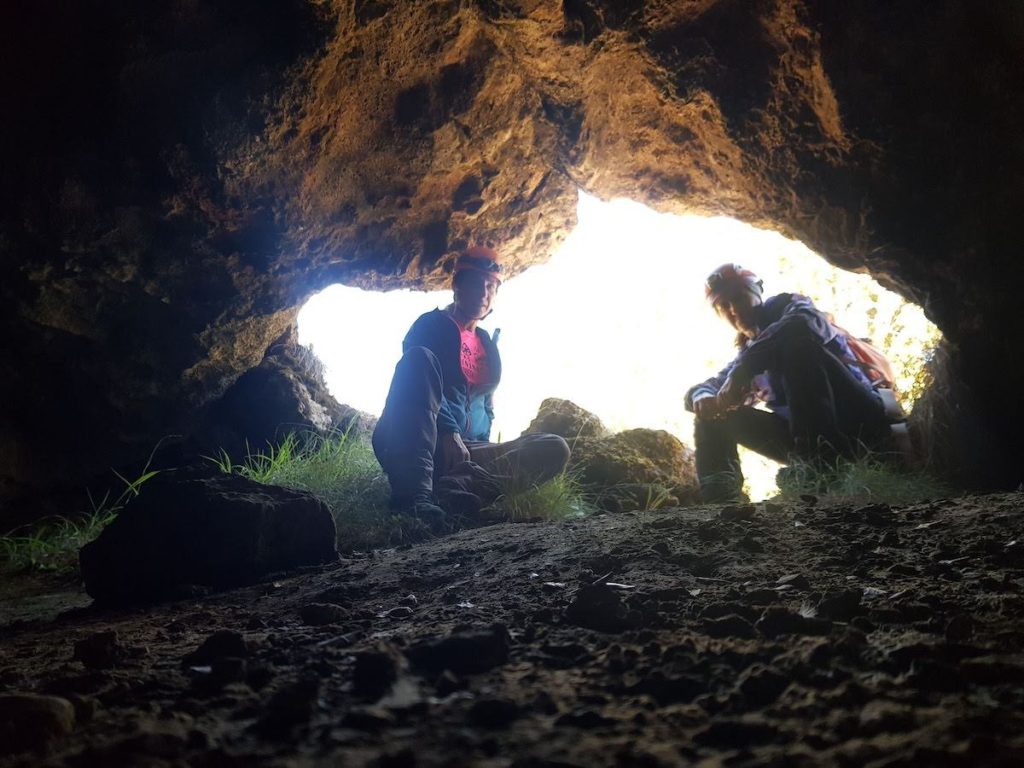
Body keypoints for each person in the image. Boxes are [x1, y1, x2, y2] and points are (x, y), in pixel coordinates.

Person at [372, 246, 571, 528]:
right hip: (416, 441)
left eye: (491, 286)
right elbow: (415, 378)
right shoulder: (429, 325)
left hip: (466, 451)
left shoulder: (488, 344)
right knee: (419, 359)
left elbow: (485, 405)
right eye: (476, 283)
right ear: (457, 285)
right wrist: (448, 430)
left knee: (553, 447)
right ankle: (414, 500)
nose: (483, 293)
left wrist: (476, 443)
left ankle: (456, 494)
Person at [684, 264, 894, 503]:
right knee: (711, 415)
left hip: (862, 421)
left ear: (757, 292)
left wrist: (744, 370)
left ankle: (818, 470)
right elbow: (707, 387)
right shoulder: (745, 356)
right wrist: (701, 398)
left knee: (797, 347)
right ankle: (722, 505)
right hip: (805, 439)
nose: (734, 309)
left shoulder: (789, 308)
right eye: (723, 305)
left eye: (740, 297)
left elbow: (804, 324)